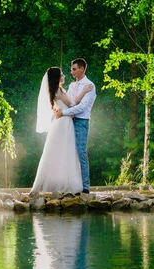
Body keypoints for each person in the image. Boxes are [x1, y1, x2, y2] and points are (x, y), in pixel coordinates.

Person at [31, 67, 94, 194]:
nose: (64, 76)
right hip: (64, 123)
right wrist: (84, 91)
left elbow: (63, 107)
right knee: (67, 152)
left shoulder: (53, 91)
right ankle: (66, 183)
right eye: (62, 74)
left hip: (59, 123)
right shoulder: (58, 91)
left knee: (57, 153)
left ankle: (54, 183)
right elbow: (72, 104)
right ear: (57, 78)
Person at [54, 58, 96, 194]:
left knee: (81, 152)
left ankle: (85, 186)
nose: (71, 71)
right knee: (69, 153)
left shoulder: (90, 86)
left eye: (74, 69)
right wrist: (64, 113)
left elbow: (82, 108)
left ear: (82, 69)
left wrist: (63, 113)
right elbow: (72, 103)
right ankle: (70, 183)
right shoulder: (72, 86)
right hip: (68, 122)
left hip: (81, 122)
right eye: (71, 69)